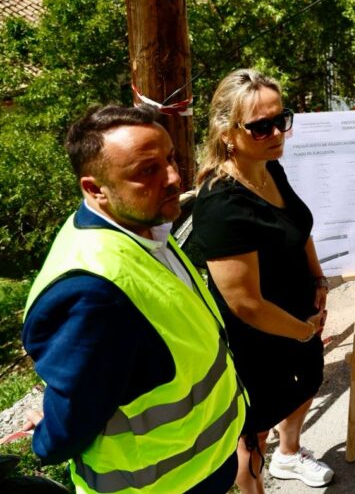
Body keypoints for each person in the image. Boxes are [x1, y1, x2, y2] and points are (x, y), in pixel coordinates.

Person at [21, 104, 245, 493]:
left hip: (204, 464)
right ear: (94, 189)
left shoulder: (142, 222)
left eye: (171, 159)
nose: (174, 178)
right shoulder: (92, 293)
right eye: (147, 171)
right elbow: (71, 419)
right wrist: (42, 441)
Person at [184, 70, 332, 492]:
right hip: (258, 338)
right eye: (260, 126)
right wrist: (303, 331)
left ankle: (289, 455)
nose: (276, 133)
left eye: (281, 119)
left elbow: (298, 226)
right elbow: (244, 303)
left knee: (308, 382)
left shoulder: (268, 167)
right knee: (252, 435)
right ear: (228, 132)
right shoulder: (221, 202)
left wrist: (318, 279)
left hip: (299, 316)